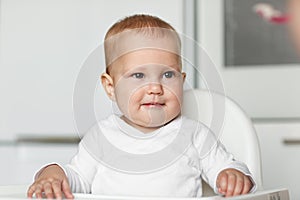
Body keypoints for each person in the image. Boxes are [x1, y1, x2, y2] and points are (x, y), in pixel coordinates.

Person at [27, 14, 256, 199]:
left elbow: (228, 168)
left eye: (168, 74)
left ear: (182, 80)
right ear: (110, 86)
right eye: (138, 75)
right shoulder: (101, 137)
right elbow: (78, 179)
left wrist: (233, 176)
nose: (155, 87)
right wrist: (54, 174)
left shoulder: (193, 134)